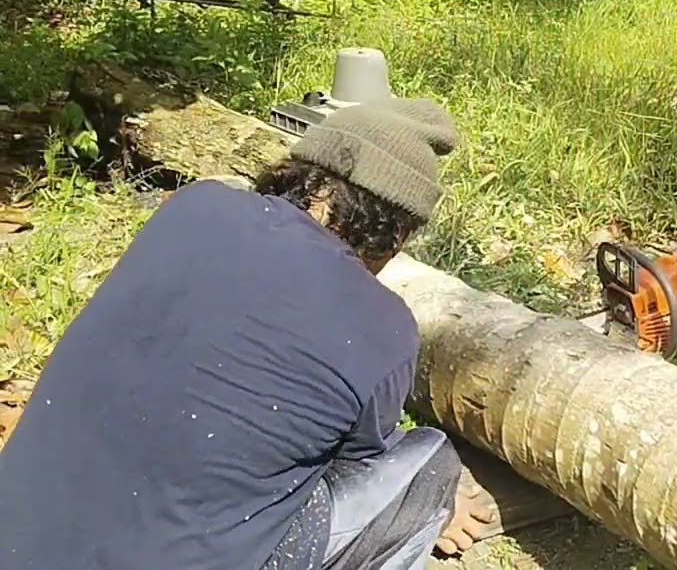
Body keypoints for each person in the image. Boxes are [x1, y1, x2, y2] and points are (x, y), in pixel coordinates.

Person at [0, 96, 494, 569]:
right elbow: (357, 465)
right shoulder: (385, 329)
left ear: (304, 174)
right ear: (399, 233)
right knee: (427, 470)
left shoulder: (193, 207)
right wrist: (439, 502)